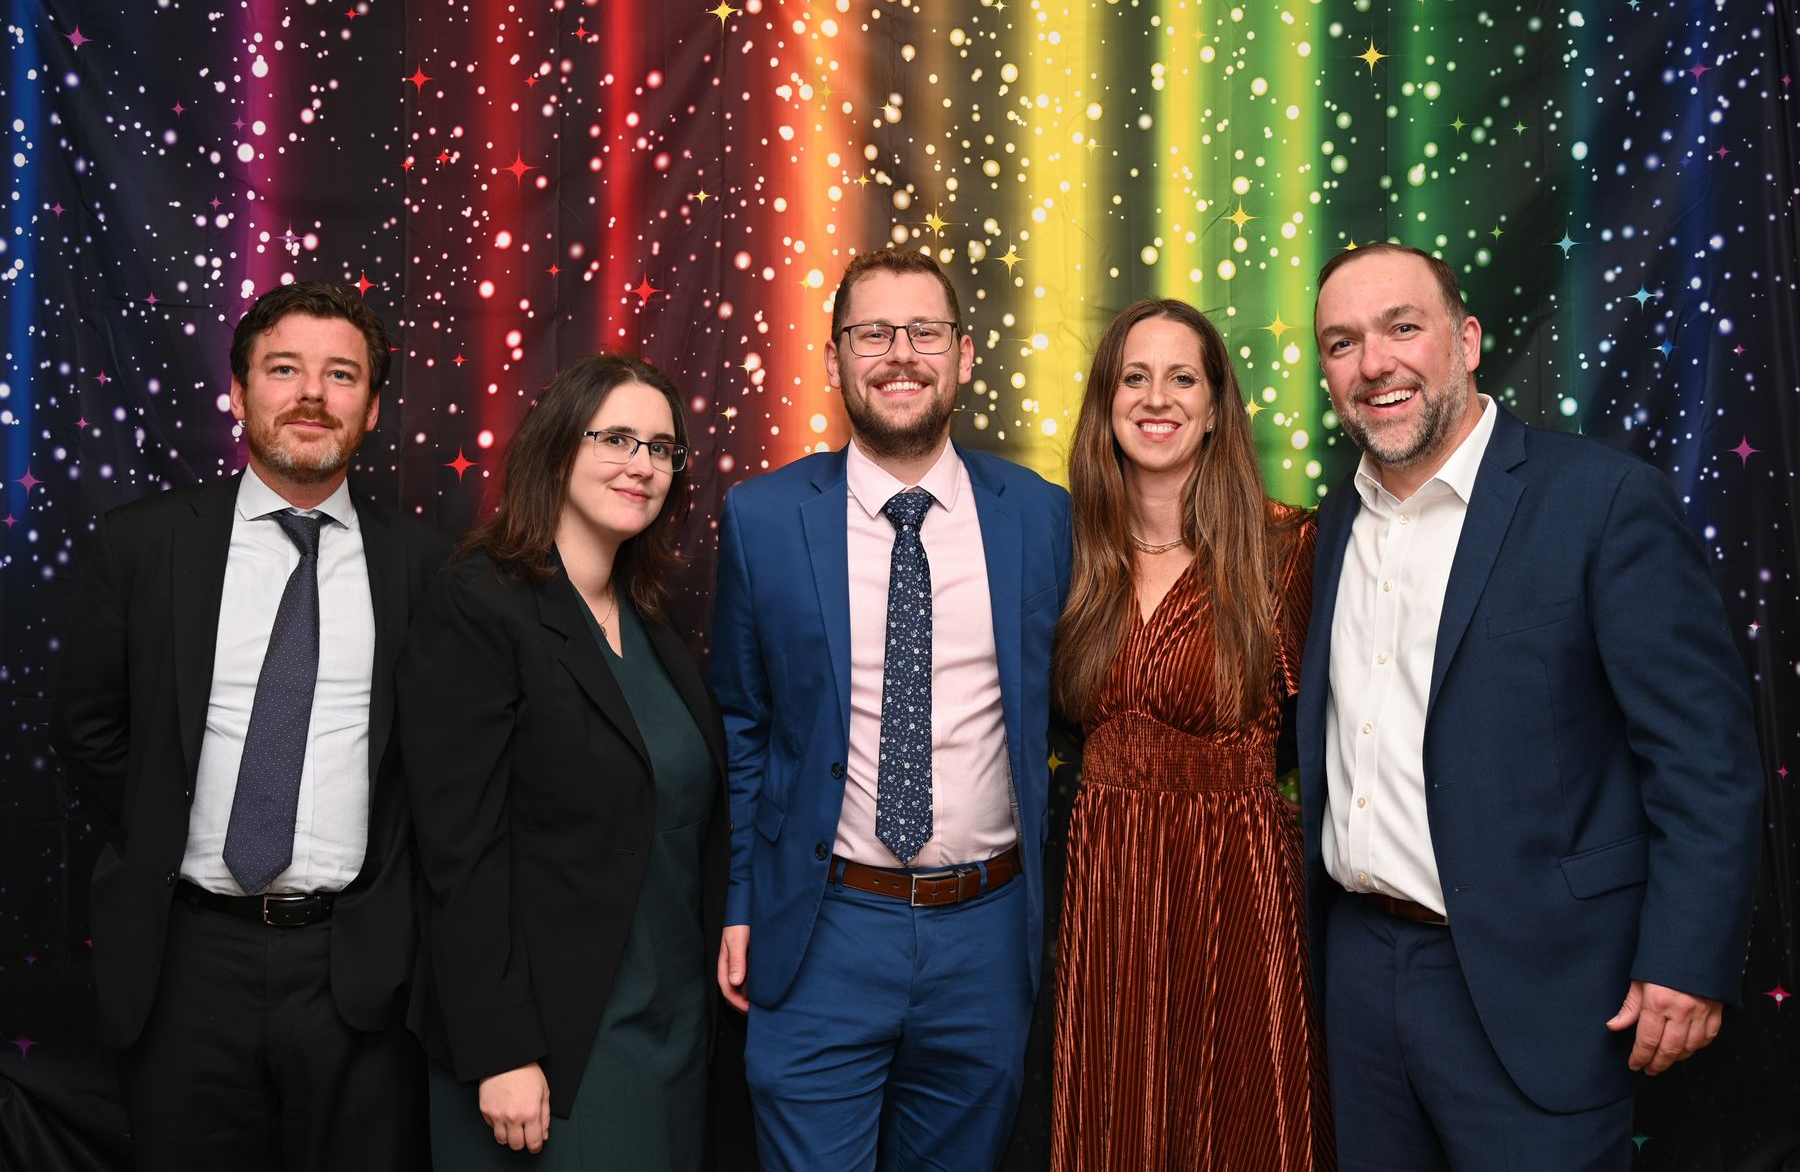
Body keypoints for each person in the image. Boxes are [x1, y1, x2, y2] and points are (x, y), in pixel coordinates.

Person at [1299, 242, 1762, 1169]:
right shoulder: (1334, 523)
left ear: (1467, 341)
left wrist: (1686, 957)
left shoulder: (1601, 501)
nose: (1375, 362)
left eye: (1402, 327)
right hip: (1360, 975)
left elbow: (1705, 758)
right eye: (1343, 343)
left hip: (1545, 982)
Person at [49, 280, 448, 1170]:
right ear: (238, 393)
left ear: (372, 409)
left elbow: (442, 764)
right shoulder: (144, 544)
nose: (311, 394)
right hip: (183, 960)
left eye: (341, 375)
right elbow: (87, 727)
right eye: (284, 369)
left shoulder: (427, 565)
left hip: (359, 972)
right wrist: (163, 825)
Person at [709, 247, 1072, 1171]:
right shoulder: (762, 518)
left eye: (925, 332)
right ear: (834, 359)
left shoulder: (1040, 516)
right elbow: (744, 727)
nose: (900, 353)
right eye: (872, 332)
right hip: (822, 924)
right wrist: (742, 900)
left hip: (987, 931)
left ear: (965, 355)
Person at [398, 355, 726, 1168]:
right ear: (556, 448)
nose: (642, 464)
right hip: (551, 1041)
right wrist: (499, 1048)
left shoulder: (649, 624)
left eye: (661, 448)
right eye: (616, 439)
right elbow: (459, 852)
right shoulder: (479, 602)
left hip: (675, 1025)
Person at [1048, 298, 1330, 1169]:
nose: (1156, 398)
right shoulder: (1065, 548)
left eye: (1182, 378)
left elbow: (1326, 732)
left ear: (1214, 409)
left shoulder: (1285, 548)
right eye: (1134, 377)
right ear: (1106, 403)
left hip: (1234, 878)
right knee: (1116, 1115)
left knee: (1235, 1119)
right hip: (1104, 879)